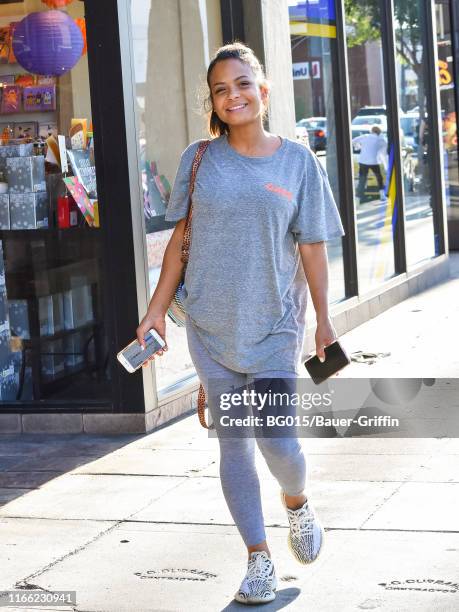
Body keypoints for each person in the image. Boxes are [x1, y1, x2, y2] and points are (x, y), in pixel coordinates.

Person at [136, 42, 345, 605]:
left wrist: (324, 322)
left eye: (244, 84)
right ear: (214, 100)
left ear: (264, 89)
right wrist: (155, 309)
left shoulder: (298, 161)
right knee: (233, 446)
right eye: (222, 90)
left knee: (278, 442)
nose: (234, 96)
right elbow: (180, 241)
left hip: (275, 326)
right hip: (208, 326)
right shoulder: (198, 159)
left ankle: (297, 503)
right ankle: (258, 559)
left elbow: (315, 248)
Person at [352, 125, 387, 202]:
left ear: (371, 131)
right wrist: (385, 165)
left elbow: (353, 141)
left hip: (363, 161)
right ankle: (382, 195)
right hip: (374, 161)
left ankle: (358, 198)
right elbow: (383, 151)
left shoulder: (365, 137)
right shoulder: (380, 140)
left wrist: (358, 147)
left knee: (362, 179)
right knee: (379, 178)